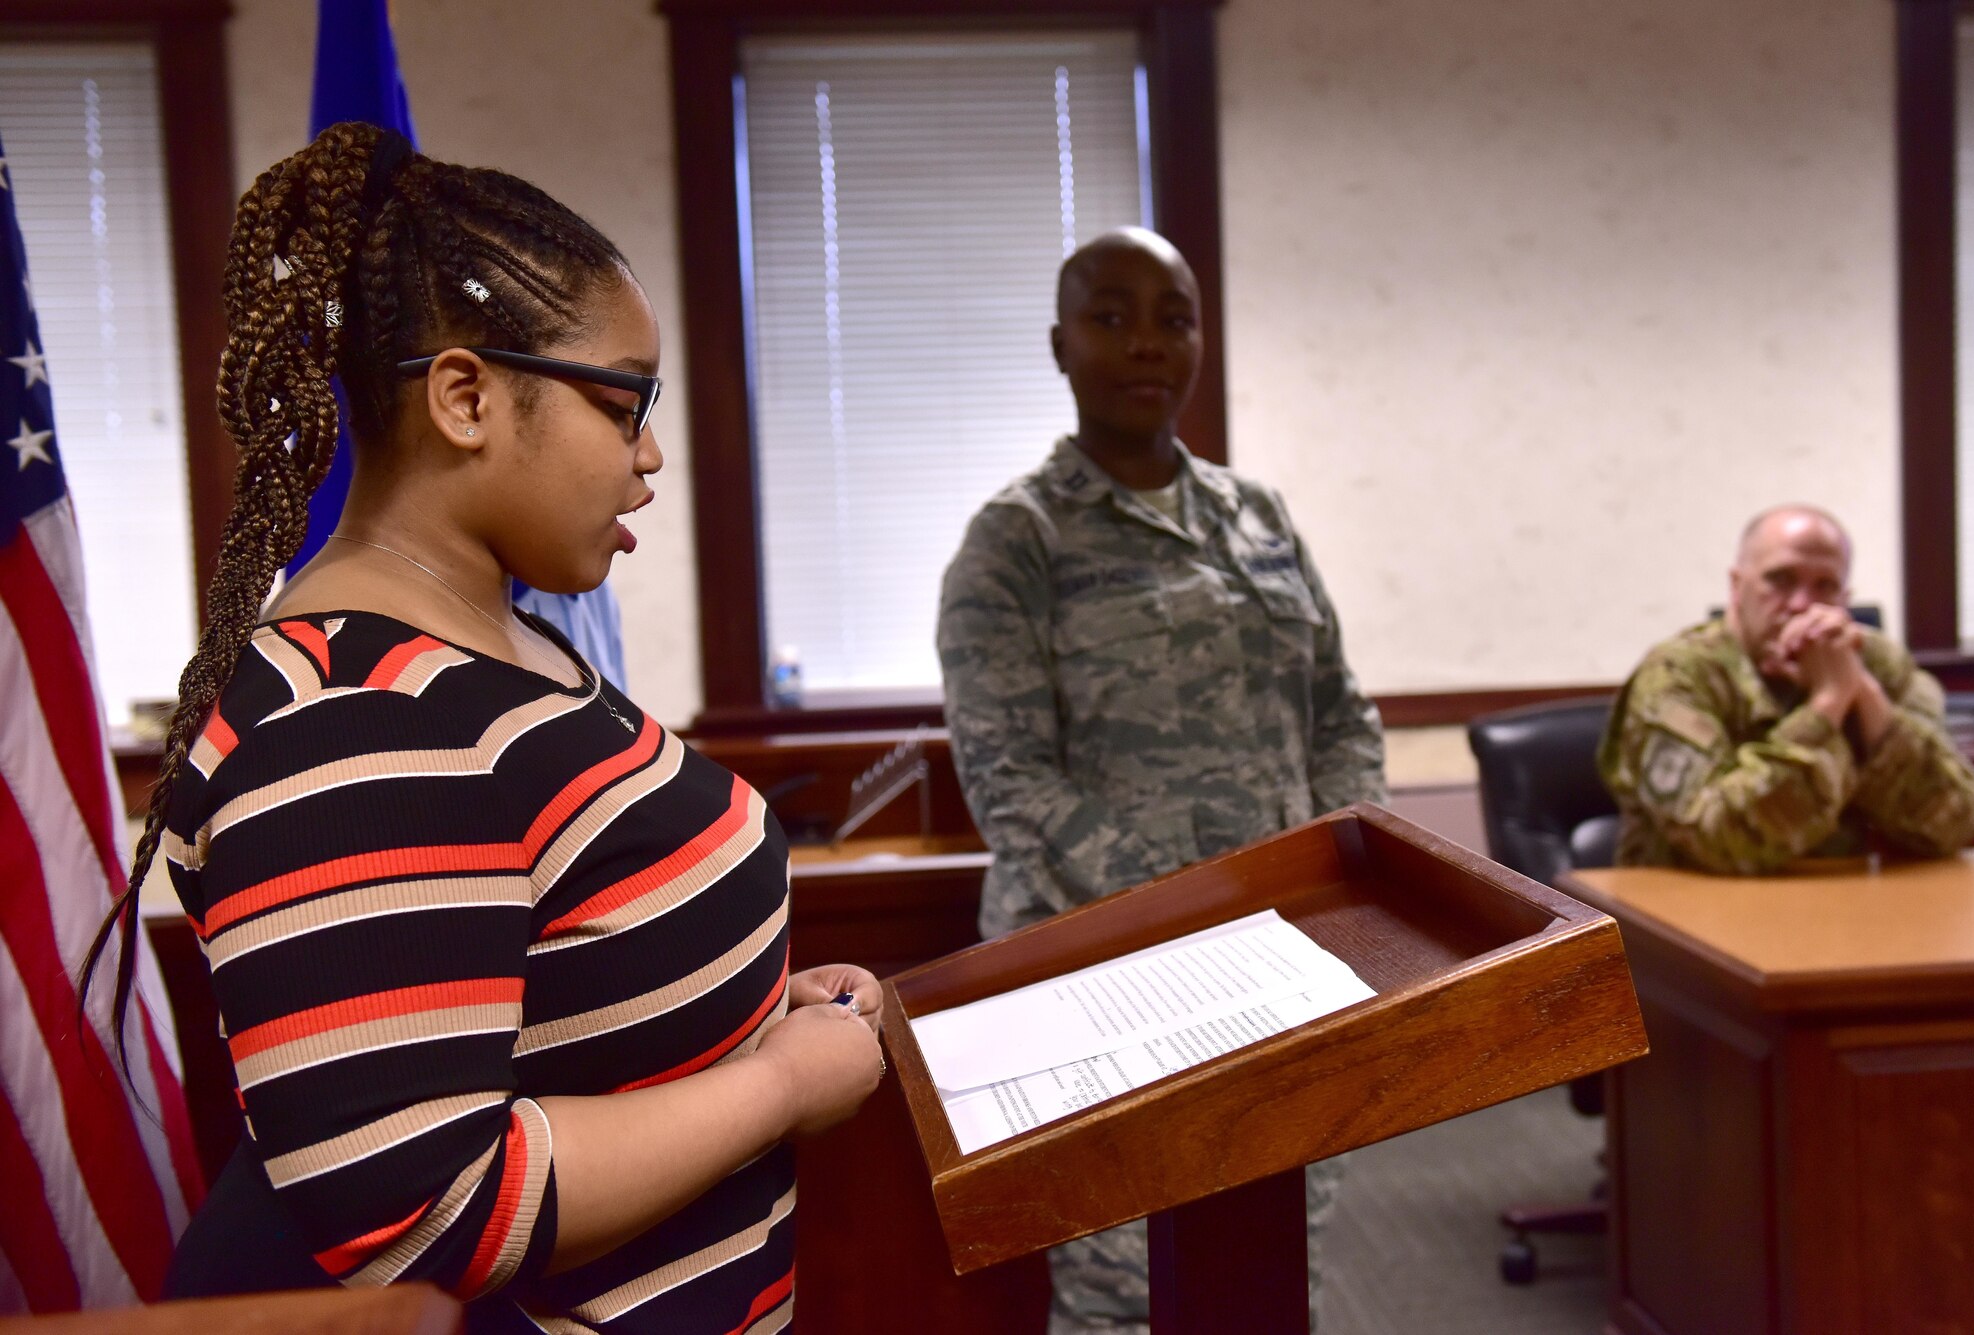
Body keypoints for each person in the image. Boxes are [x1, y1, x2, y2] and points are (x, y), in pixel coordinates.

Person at [81, 123, 883, 1334]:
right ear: (464, 397)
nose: (650, 454)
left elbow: (558, 971)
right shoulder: (353, 724)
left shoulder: (506, 639)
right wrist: (777, 1086)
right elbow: (426, 1215)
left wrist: (738, 1007)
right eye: (623, 404)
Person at [936, 227, 1385, 1334]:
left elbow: (1339, 714)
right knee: (1123, 1287)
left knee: (1273, 1265)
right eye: (1111, 315)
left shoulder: (1258, 517)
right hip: (1102, 988)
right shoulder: (1013, 543)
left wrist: (1332, 872)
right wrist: (1204, 915)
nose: (1146, 343)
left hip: (1282, 968)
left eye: (1172, 317)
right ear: (1059, 344)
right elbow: (1013, 787)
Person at [1599, 504, 1974, 873]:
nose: (1802, 604)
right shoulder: (1678, 673)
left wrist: (1862, 691)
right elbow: (1721, 839)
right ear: (1737, 587)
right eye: (1780, 579)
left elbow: (1954, 822)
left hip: (1841, 911)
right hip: (1687, 917)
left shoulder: (1878, 663)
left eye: (1825, 586)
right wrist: (1829, 703)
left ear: (1845, 600)